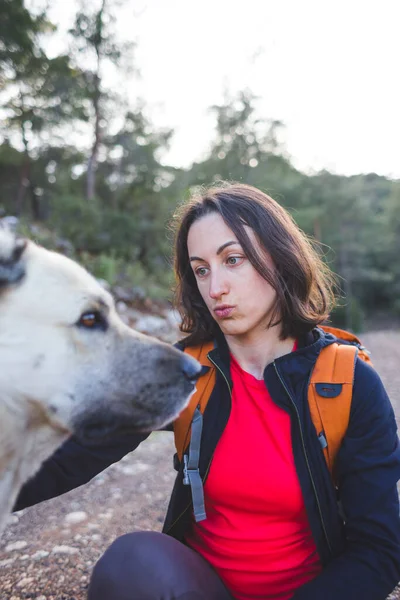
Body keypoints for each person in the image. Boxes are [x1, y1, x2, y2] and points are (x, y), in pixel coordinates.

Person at [14, 183, 400, 600]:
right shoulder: (187, 370)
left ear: (281, 258)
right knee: (132, 562)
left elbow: (378, 550)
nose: (215, 287)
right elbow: (67, 452)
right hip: (200, 590)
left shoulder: (345, 381)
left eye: (232, 260)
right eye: (201, 269)